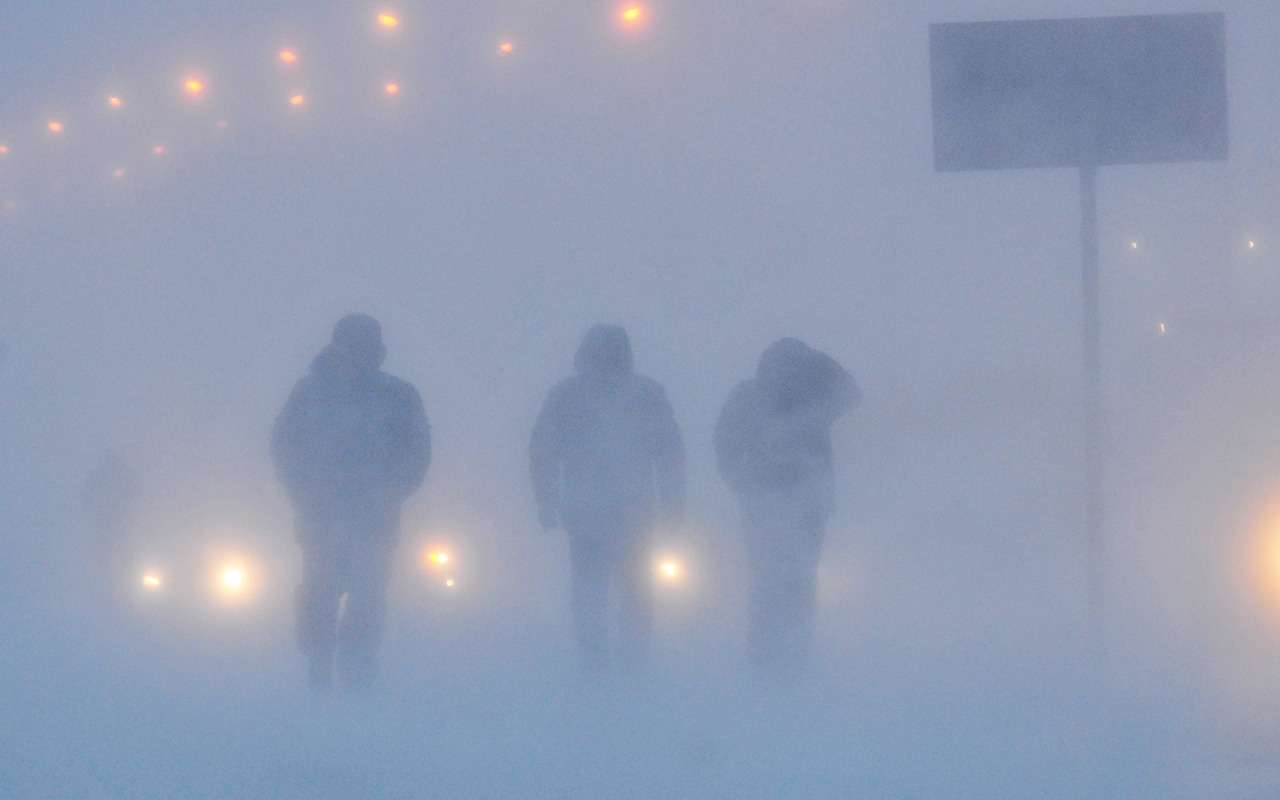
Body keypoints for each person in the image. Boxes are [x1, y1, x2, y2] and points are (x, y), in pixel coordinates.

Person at [272, 314, 430, 692]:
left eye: (366, 345)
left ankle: (358, 670)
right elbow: (284, 445)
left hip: (375, 513)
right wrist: (301, 489)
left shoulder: (398, 395)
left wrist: (395, 490)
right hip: (321, 511)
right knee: (320, 588)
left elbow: (418, 451)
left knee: (368, 590)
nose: (361, 353)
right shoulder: (310, 393)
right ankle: (319, 667)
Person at [530, 324, 686, 676]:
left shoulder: (577, 394)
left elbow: (670, 452)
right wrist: (546, 499)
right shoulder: (633, 394)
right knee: (604, 591)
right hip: (599, 510)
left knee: (624, 590)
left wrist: (547, 499)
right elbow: (543, 451)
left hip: (615, 510)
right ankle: (603, 662)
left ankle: (618, 662)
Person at [714, 338, 860, 680]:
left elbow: (722, 443)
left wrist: (739, 483)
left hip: (780, 504)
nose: (786, 376)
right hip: (790, 504)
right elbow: (851, 394)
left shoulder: (756, 396)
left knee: (771, 580)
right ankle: (787, 658)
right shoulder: (814, 400)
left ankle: (769, 656)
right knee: (793, 582)